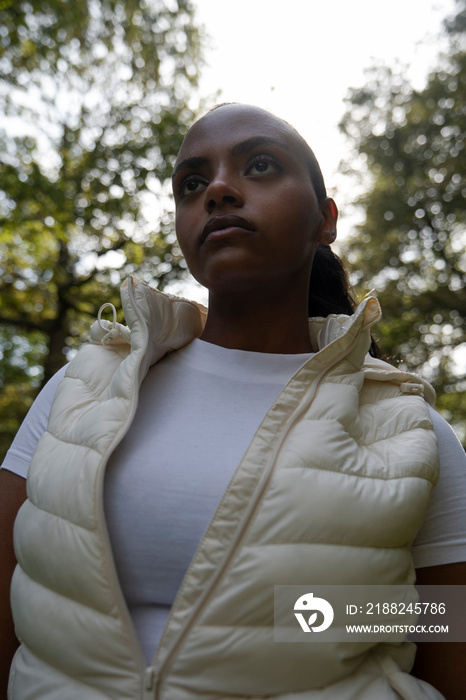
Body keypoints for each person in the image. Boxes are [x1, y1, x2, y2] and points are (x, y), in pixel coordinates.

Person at [1, 103, 465, 700]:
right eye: (192, 183)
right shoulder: (83, 390)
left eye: (261, 166)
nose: (217, 189)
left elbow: (440, 634)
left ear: (325, 219)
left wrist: (305, 618)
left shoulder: (407, 432)